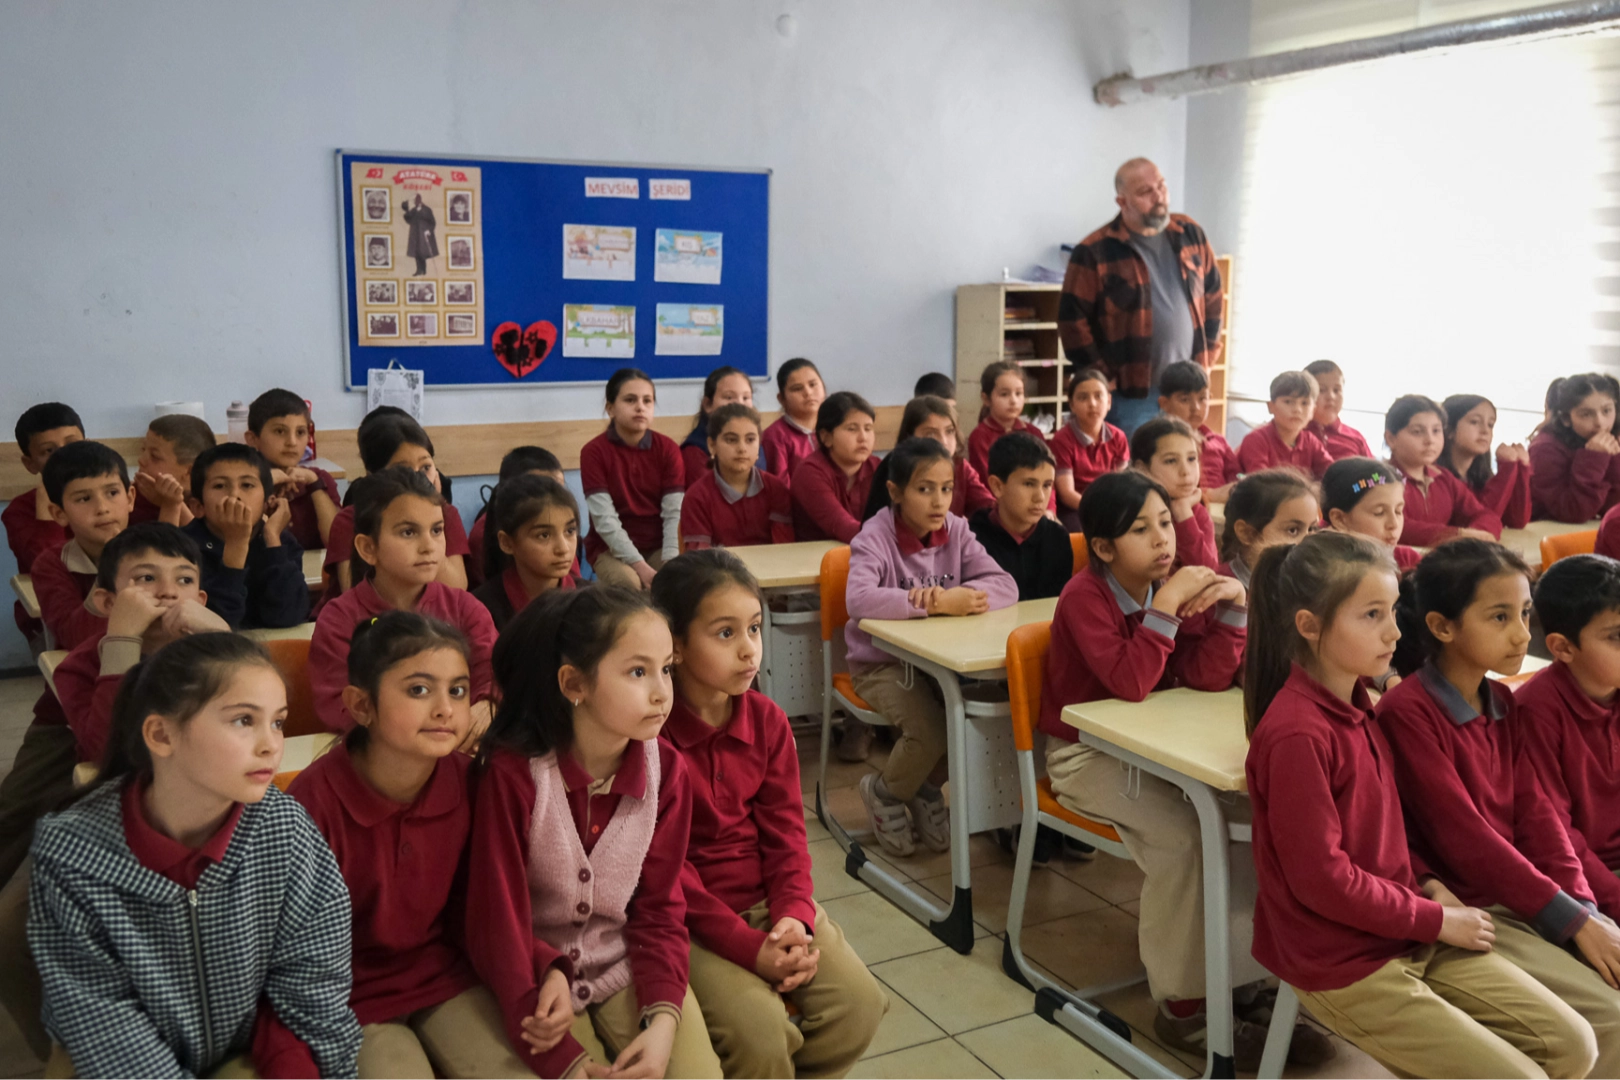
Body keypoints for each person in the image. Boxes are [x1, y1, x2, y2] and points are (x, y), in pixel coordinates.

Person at [1244, 532, 1598, 1080]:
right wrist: (1433, 918)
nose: (1393, 631)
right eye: (1371, 615)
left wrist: (1427, 882)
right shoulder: (1299, 734)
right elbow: (1322, 880)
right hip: (1345, 962)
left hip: (1408, 931)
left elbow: (1386, 834)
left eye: (1391, 611)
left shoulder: (1359, 707)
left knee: (1575, 1046)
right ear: (1309, 626)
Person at [1035, 471, 1313, 1069]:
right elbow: (1131, 682)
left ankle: (1244, 979)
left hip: (1156, 747)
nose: (1163, 538)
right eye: (1141, 529)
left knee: (1248, 820)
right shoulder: (1086, 596)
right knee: (1186, 840)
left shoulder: (1170, 584)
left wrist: (1235, 610)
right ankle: (1183, 1005)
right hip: (1084, 755)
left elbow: (1204, 676)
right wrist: (1164, 609)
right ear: (1104, 547)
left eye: (1165, 522)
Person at [28, 633, 363, 1078]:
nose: (271, 744)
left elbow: (313, 976)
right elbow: (105, 1026)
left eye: (278, 722)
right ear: (161, 734)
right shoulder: (72, 854)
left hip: (244, 1050)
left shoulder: (285, 827)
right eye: (243, 720)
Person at [1378, 539, 1620, 1067]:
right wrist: (1571, 921)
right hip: (1472, 909)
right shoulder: (1407, 713)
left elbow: (1538, 819)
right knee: (1612, 1021)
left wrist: (1585, 911)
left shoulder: (1502, 701)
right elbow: (1468, 842)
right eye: (1500, 617)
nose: (1522, 634)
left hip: (1526, 895)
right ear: (1442, 627)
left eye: (1525, 613)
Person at [464, 588, 724, 1080]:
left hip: (627, 964)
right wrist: (561, 1057)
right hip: (533, 980)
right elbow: (496, 924)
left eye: (667, 669)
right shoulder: (514, 776)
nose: (662, 692)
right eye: (638, 672)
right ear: (573, 683)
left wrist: (663, 1018)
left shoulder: (668, 771)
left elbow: (660, 909)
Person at [652, 551, 886, 1078]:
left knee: (858, 1006)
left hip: (767, 902)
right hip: (690, 920)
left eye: (754, 628)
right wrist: (750, 949)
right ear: (676, 645)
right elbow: (667, 873)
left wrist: (792, 917)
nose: (748, 649)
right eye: (725, 633)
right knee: (759, 1034)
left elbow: (787, 839)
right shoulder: (651, 738)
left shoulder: (768, 721)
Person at [282, 613, 539, 1078]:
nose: (445, 709)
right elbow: (295, 952)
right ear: (361, 705)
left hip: (444, 976)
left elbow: (490, 907)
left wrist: (546, 964)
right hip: (350, 997)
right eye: (419, 690)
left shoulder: (472, 782)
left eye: (458, 691)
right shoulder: (309, 805)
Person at [847, 438, 1018, 854]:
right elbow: (858, 598)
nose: (939, 501)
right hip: (880, 664)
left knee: (971, 723)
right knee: (930, 731)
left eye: (946, 488)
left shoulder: (956, 529)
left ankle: (924, 789)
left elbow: (1005, 584)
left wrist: (967, 599)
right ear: (895, 491)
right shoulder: (875, 536)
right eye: (925, 489)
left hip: (937, 664)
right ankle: (885, 792)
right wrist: (935, 603)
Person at [310, 468, 496, 737]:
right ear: (368, 548)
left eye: (437, 530)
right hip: (380, 755)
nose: (429, 546)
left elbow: (493, 675)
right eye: (408, 532)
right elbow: (338, 706)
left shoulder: (465, 608)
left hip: (457, 744)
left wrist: (487, 704)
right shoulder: (339, 619)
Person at [1057, 157, 1223, 435]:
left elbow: (1214, 298)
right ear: (1122, 202)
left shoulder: (1190, 233)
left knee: (1182, 459)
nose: (1158, 197)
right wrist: (1101, 377)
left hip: (1187, 390)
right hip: (1131, 396)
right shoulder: (1094, 251)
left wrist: (1207, 360)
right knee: (1135, 462)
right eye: (1146, 192)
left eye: (1161, 186)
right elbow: (1072, 321)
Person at [1521, 554, 1620, 924]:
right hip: (1587, 882)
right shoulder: (1535, 712)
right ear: (1563, 648)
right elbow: (1556, 834)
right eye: (1617, 636)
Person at [325, 414, 472, 597]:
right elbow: (352, 589)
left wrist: (430, 516)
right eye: (402, 469)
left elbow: (457, 588)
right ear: (373, 476)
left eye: (426, 467)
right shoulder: (349, 520)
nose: (417, 477)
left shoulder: (446, 514)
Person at [182, 443, 309, 630]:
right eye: (220, 485)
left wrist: (272, 538)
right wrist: (236, 545)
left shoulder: (280, 541)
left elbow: (287, 616)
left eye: (247, 485)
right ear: (198, 507)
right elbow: (216, 625)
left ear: (267, 502)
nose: (235, 495)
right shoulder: (183, 548)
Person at [582, 368, 684, 591]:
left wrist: (670, 562)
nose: (640, 407)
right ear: (610, 408)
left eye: (647, 401)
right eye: (630, 400)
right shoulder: (593, 452)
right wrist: (640, 566)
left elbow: (673, 514)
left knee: (676, 582)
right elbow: (605, 520)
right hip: (609, 548)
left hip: (658, 546)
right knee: (629, 583)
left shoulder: (669, 449)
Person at [31, 441, 132, 651]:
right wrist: (111, 565)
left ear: (130, 498)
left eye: (112, 493)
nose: (102, 508)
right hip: (94, 667)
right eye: (84, 499)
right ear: (59, 514)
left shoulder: (154, 549)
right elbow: (76, 637)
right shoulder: (51, 565)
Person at [3, 403, 83, 637]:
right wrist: (45, 503)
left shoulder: (109, 496)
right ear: (30, 464)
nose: (63, 457)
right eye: (49, 451)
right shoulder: (19, 511)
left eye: (72, 444)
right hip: (46, 620)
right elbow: (49, 565)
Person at [1383, 395, 1502, 547]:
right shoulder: (1377, 477)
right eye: (1417, 432)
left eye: (1436, 431)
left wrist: (1478, 535)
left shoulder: (1443, 477)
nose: (1430, 440)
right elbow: (1399, 526)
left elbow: (1485, 515)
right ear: (1391, 439)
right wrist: (1458, 535)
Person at [970, 431, 1072, 601]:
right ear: (997, 486)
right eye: (1029, 484)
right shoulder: (972, 539)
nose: (1040, 497)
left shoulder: (1057, 537)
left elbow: (1056, 604)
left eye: (1047, 485)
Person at [471, 474, 579, 633]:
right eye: (544, 535)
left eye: (570, 531)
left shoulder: (591, 601)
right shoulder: (479, 608)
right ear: (507, 543)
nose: (563, 548)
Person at [862, 395, 994, 521]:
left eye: (949, 431)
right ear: (910, 437)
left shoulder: (960, 467)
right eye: (931, 434)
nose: (944, 441)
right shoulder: (893, 467)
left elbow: (989, 509)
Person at [680, 404, 793, 550]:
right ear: (712, 445)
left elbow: (784, 549)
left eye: (750, 440)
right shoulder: (697, 496)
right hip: (718, 565)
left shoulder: (776, 489)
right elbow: (700, 557)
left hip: (772, 564)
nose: (742, 448)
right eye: (731, 440)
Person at [245, 387, 340, 551]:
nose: (292, 442)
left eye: (300, 432)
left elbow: (337, 544)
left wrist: (315, 485)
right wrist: (263, 484)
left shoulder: (319, 478)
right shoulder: (242, 482)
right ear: (253, 439)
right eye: (280, 431)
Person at [467, 445, 567, 588]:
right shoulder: (482, 533)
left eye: (559, 491)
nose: (553, 498)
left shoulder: (561, 526)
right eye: (539, 491)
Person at [790, 392, 879, 543]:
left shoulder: (879, 467)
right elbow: (843, 527)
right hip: (815, 556)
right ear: (826, 437)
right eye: (852, 429)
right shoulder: (809, 472)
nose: (863, 437)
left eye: (868, 428)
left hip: (868, 551)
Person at [1531, 372, 1620, 523]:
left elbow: (1613, 508)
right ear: (1566, 418)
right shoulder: (1544, 448)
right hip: (1545, 532)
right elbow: (1573, 512)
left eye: (1606, 411)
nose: (1600, 422)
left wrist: (1615, 458)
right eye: (1586, 414)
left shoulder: (1609, 439)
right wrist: (1594, 458)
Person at [1049, 366, 1129, 531]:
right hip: (1075, 507)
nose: (1092, 404)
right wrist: (1096, 509)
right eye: (1083, 397)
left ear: (1109, 402)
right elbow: (1067, 493)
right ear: (1072, 404)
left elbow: (1121, 484)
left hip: (1109, 505)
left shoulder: (1118, 437)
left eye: (1098, 396)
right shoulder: (1062, 440)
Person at [1131, 417, 1216, 570]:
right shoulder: (1132, 515)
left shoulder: (1197, 513)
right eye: (1171, 461)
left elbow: (1209, 572)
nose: (1185, 471)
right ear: (1142, 469)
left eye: (1191, 459)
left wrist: (1183, 513)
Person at [1215, 468, 1319, 589]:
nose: (1308, 541)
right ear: (1248, 534)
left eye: (1311, 529)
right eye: (1293, 530)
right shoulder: (1222, 592)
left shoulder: (1306, 580)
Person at [1442, 394, 1532, 530]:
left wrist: (1521, 469)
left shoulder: (1478, 478)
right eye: (1474, 422)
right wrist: (1507, 468)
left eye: (1490, 425)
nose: (1485, 431)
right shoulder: (1439, 479)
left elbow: (1517, 520)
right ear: (1449, 430)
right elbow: (1482, 522)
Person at [1321, 457, 1423, 573]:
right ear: (1339, 519)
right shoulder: (1321, 569)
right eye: (1379, 513)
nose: (1394, 524)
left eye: (1398, 511)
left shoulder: (1407, 560)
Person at [1157, 361, 1236, 500]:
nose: (1196, 408)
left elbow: (1236, 477)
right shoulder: (1159, 443)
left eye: (1202, 398)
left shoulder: (1218, 441)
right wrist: (1209, 495)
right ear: (1164, 403)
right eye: (1185, 400)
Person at [1237, 371, 1334, 480]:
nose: (1297, 409)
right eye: (1288, 402)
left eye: (1304, 403)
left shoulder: (1311, 442)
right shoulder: (1256, 440)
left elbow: (1333, 473)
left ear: (1313, 411)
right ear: (1271, 407)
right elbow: (1261, 483)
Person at [680, 367, 766, 488]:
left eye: (745, 398)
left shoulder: (756, 440)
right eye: (729, 397)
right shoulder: (694, 451)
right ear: (708, 404)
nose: (739, 404)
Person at [966, 361, 1044, 483]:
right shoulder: (980, 437)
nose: (1013, 401)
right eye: (1004, 394)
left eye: (1018, 393)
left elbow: (1046, 474)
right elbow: (988, 481)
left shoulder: (1034, 433)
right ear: (986, 399)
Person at [132, 413, 215, 527]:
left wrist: (171, 503)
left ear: (189, 472)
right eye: (143, 449)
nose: (141, 460)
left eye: (155, 456)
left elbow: (201, 537)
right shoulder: (132, 499)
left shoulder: (210, 503)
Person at [761, 358, 826, 484]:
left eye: (813, 384)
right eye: (797, 388)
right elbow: (780, 487)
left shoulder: (835, 427)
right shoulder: (775, 437)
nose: (808, 392)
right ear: (781, 399)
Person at [1302, 360, 1374, 462]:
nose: (1331, 396)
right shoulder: (1294, 434)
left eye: (1336, 390)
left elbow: (1375, 471)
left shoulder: (1355, 437)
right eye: (1321, 390)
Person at [403, 193, 438, 276]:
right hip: (415, 235)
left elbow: (433, 222)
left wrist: (429, 230)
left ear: (420, 200)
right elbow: (408, 220)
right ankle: (419, 270)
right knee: (416, 253)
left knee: (423, 252)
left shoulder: (427, 210)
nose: (416, 202)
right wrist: (406, 209)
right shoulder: (413, 210)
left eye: (417, 200)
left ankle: (423, 270)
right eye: (415, 201)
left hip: (423, 234)